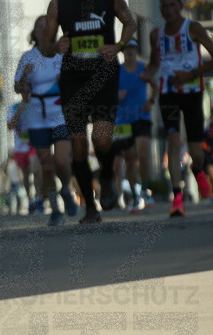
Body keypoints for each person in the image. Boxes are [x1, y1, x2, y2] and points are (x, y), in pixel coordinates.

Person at [40, 0, 137, 223]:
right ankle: (91, 207)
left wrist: (119, 45)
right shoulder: (58, 5)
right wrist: (56, 47)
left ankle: (106, 177)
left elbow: (130, 23)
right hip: (73, 78)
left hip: (104, 74)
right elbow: (45, 47)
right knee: (78, 144)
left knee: (101, 139)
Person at [144, 0, 213, 217]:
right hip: (168, 94)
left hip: (192, 92)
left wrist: (192, 74)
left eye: (171, 4)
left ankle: (198, 169)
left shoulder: (193, 29)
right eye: (163, 6)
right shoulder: (155, 34)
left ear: (181, 6)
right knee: (173, 142)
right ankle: (178, 198)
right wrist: (146, 73)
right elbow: (154, 63)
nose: (167, 9)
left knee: (195, 152)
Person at [15, 15, 77, 226]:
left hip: (59, 113)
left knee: (61, 161)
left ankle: (66, 188)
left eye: (47, 26)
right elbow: (19, 88)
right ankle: (55, 208)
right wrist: (24, 78)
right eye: (39, 26)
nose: (43, 29)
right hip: (37, 116)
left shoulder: (62, 54)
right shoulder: (27, 57)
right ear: (34, 33)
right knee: (46, 165)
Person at [112, 39, 154, 213]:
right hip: (122, 121)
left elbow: (155, 85)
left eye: (133, 48)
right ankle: (137, 196)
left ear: (136, 50)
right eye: (127, 48)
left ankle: (144, 187)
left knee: (142, 155)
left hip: (142, 117)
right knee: (129, 161)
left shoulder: (143, 68)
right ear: (123, 52)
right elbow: (108, 95)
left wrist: (151, 101)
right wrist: (117, 96)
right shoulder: (117, 72)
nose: (130, 51)